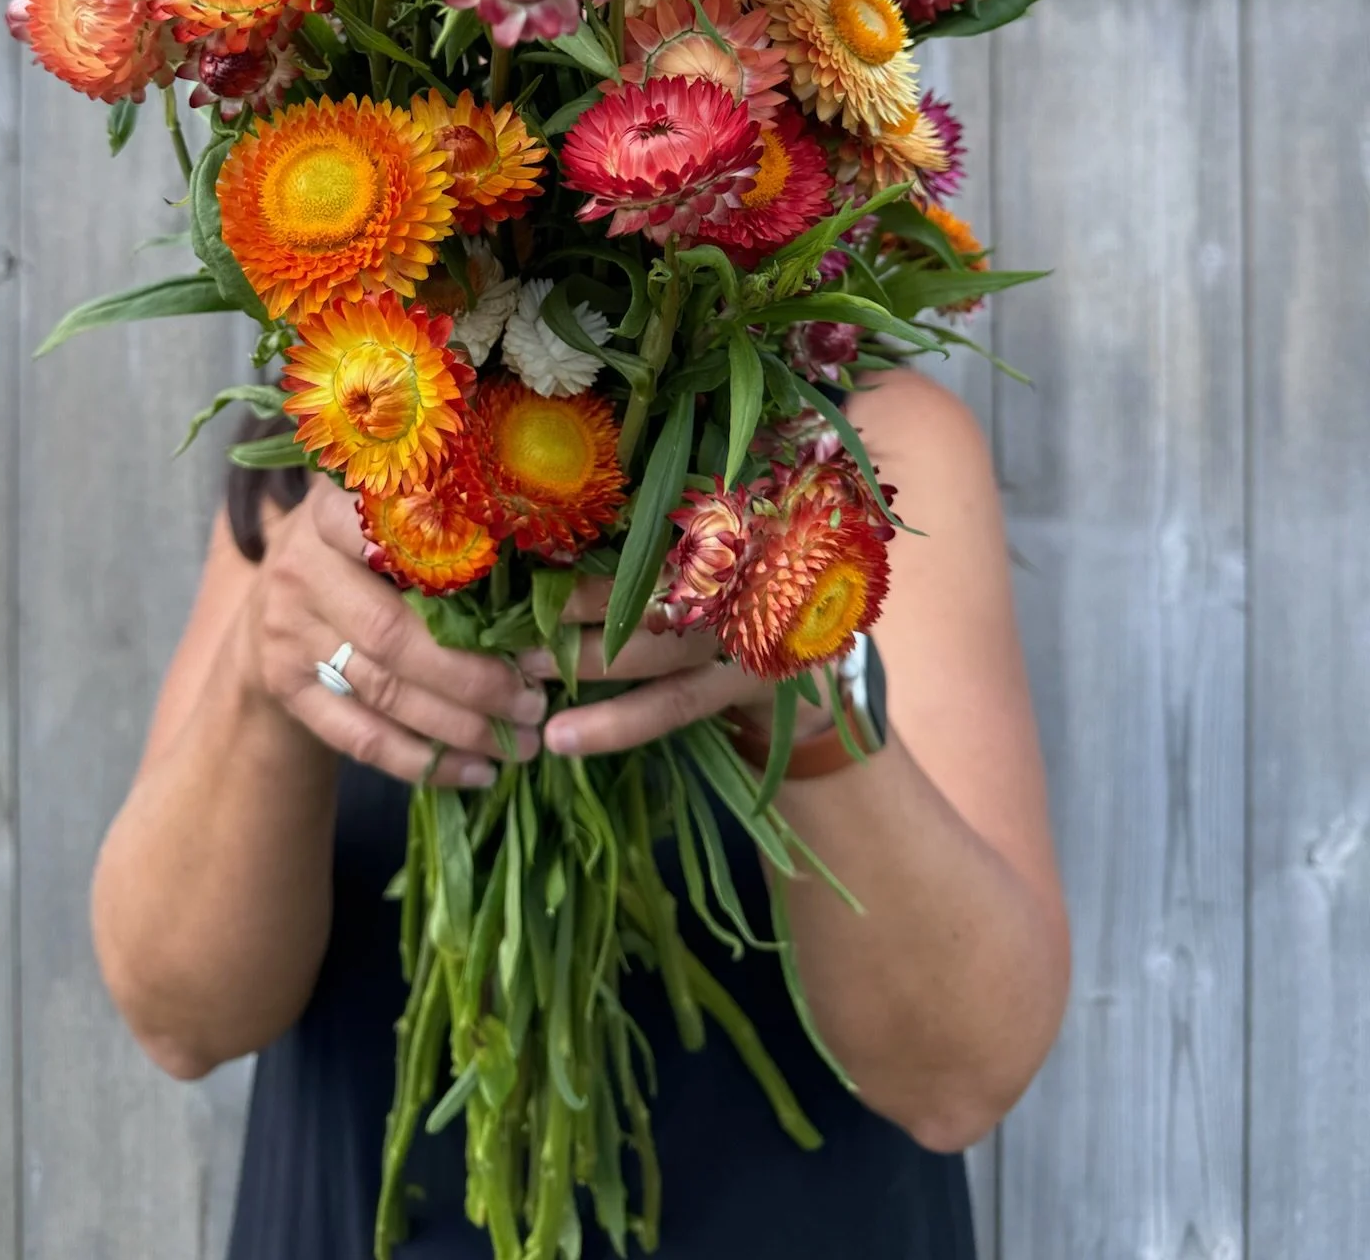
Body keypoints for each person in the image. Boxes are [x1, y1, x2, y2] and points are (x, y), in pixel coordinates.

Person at [92, 366, 1070, 1258]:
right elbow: (180, 1016)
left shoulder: (862, 449)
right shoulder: (334, 431)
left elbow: (959, 1075)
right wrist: (268, 679)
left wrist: (805, 686)